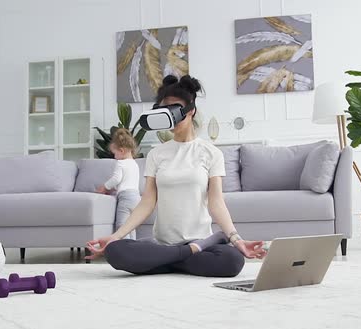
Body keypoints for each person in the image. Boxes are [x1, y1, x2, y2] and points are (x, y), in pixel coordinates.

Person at [85, 75, 267, 277]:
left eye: (176, 109)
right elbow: (147, 202)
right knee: (115, 251)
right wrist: (115, 236)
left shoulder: (211, 153)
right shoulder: (157, 154)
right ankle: (184, 256)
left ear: (191, 111)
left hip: (198, 240)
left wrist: (235, 238)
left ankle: (167, 261)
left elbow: (216, 202)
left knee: (232, 260)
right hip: (163, 244)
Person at [95, 128, 141, 240]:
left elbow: (116, 179)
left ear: (121, 151)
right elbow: (126, 181)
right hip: (136, 198)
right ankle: (133, 249)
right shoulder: (134, 164)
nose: (114, 156)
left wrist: (104, 187)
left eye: (114, 153)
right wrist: (114, 189)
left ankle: (125, 250)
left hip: (125, 199)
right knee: (130, 226)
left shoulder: (120, 163)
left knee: (122, 227)